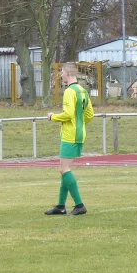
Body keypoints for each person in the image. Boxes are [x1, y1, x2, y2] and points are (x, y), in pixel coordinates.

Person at [45, 62, 95, 216]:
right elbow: (89, 114)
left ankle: (79, 205)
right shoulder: (82, 90)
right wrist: (79, 124)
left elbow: (68, 114)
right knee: (63, 169)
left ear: (67, 73)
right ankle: (60, 206)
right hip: (79, 133)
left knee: (63, 169)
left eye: (61, 72)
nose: (60, 74)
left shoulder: (69, 92)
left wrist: (52, 117)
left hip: (70, 135)